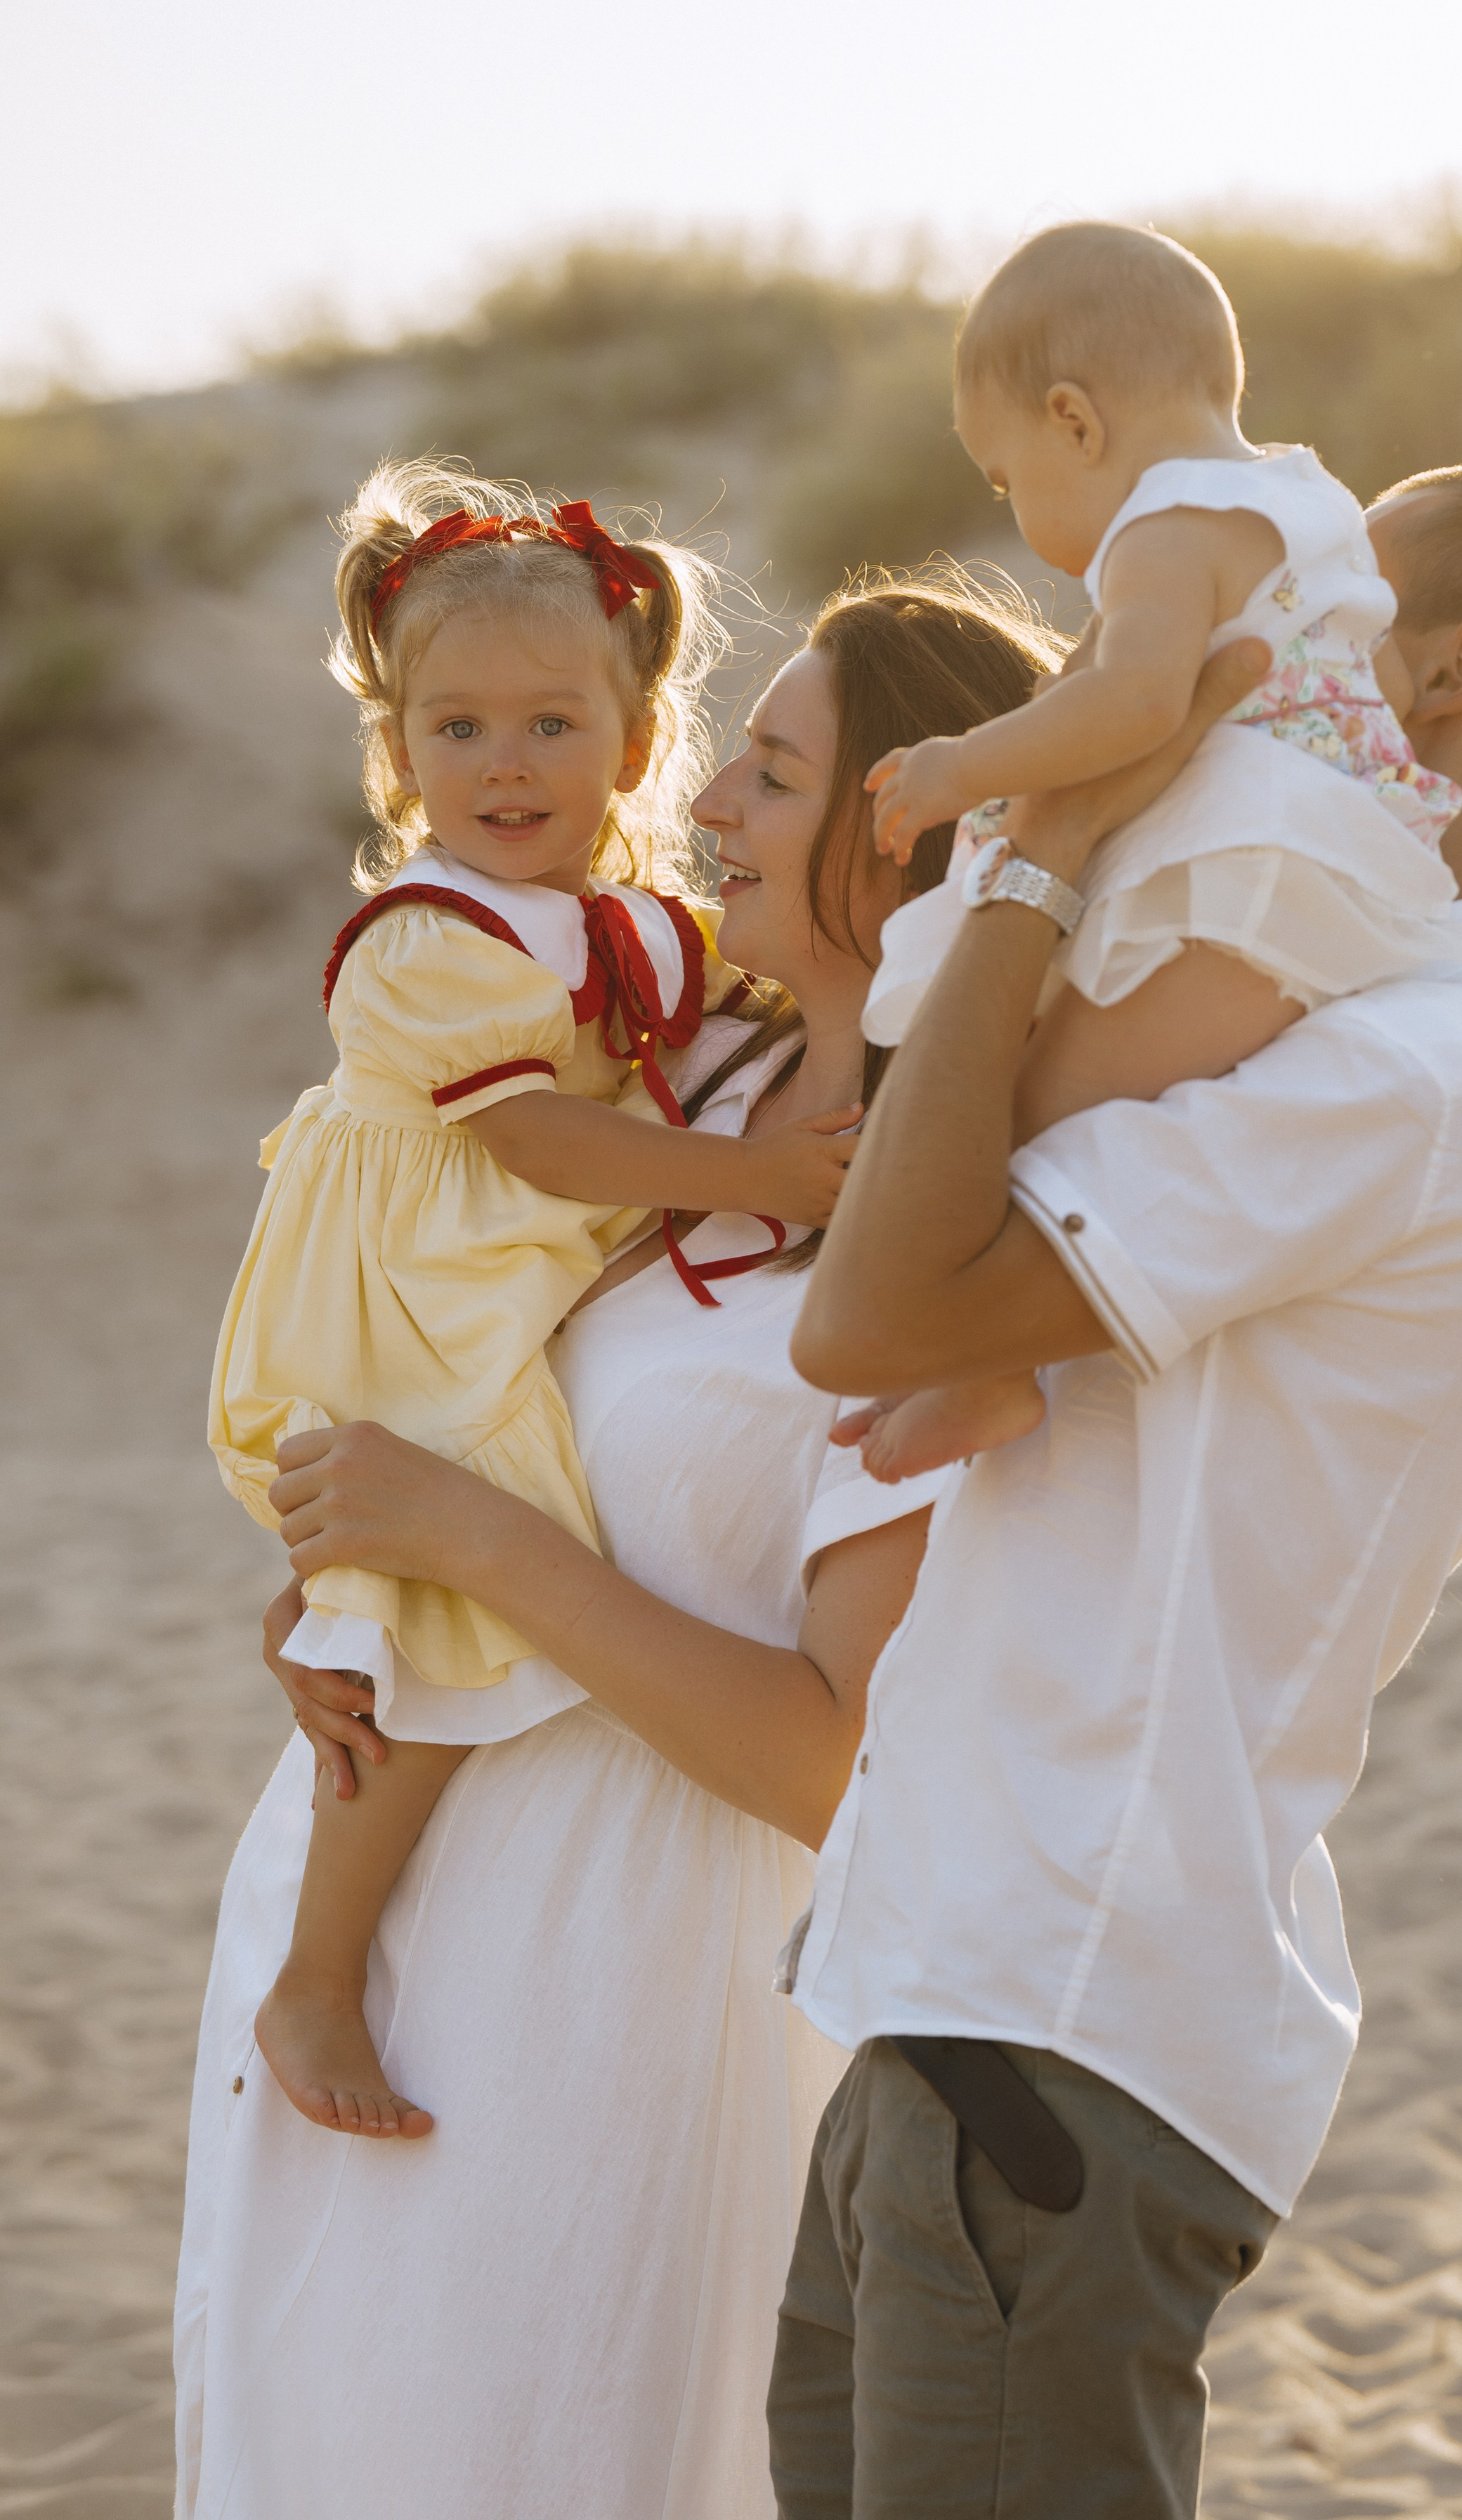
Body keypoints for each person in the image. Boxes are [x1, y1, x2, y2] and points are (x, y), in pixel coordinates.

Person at [776, 462, 1462, 2516]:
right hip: (963, 2004)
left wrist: (1045, 843)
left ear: (1451, 676)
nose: (1252, 641)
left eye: (1319, 600)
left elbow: (872, 1315)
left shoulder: (1415, 1078)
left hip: (1062, 2026)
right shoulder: (1309, 1025)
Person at [174, 571, 1071, 2520]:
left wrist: (475, 1543)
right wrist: (351, 1561)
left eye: (769, 766)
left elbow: (844, 1767)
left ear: (902, 822)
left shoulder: (966, 1229)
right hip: (376, 1938)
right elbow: (464, 1337)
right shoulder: (698, 1079)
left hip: (611, 2012)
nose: (714, 808)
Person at [209, 459, 860, 2143]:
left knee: (427, 1585)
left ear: (635, 745)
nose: (506, 765)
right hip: (403, 1296)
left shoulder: (628, 924)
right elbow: (548, 1143)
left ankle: (329, 1943)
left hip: (484, 1286)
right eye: (459, 731)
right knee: (441, 1586)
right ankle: (320, 1972)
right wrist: (775, 1186)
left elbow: (726, 1014)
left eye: (553, 727)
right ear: (399, 751)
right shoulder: (428, 944)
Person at [846, 221, 1462, 1483]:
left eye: (1007, 480)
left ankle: (984, 1367)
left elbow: (1134, 704)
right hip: (1327, 857)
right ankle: (989, 1361)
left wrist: (965, 763)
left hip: (1249, 867)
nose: (1018, 517)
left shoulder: (1163, 526)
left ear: (1075, 421)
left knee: (1024, 1107)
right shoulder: (1305, 498)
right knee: (1079, 1098)